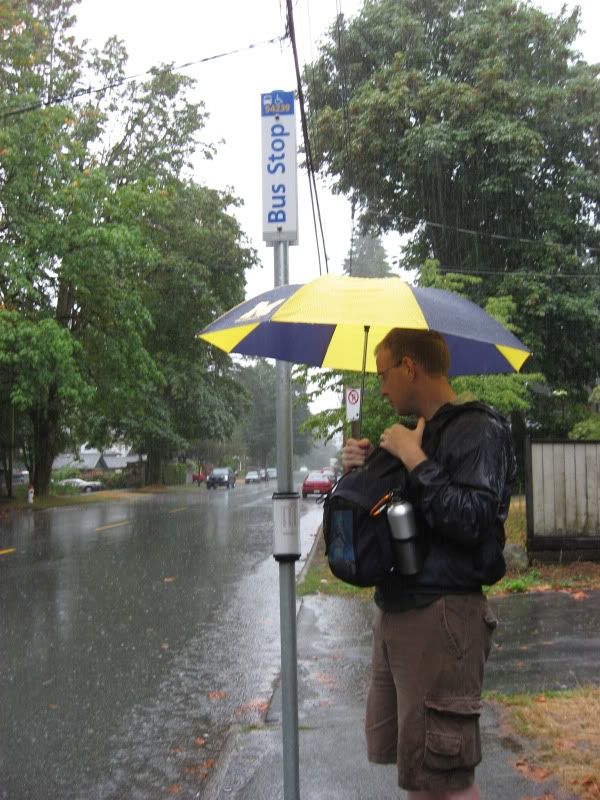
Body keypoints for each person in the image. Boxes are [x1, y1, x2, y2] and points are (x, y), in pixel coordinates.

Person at [342, 328, 516, 800]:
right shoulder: (420, 432)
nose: (380, 387)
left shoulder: (479, 429)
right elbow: (392, 515)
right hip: (401, 611)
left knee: (447, 778)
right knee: (421, 772)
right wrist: (359, 471)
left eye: (384, 374)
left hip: (443, 617)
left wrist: (413, 457)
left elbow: (473, 520)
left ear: (409, 367)